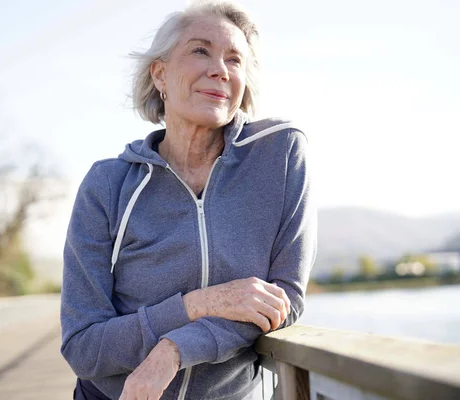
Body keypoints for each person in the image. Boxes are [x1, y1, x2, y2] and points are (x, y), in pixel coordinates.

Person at [60, 2, 317, 399]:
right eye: (200, 50)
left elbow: (283, 301)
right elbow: (83, 347)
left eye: (235, 59)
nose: (220, 69)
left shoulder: (280, 154)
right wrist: (198, 304)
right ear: (160, 74)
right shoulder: (106, 184)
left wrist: (176, 349)